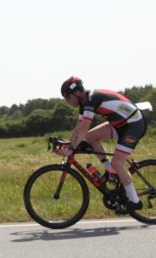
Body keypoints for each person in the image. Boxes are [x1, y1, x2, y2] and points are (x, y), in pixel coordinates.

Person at [59, 76, 145, 212]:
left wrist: (71, 149)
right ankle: (110, 171)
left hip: (133, 124)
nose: (67, 101)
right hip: (120, 124)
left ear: (76, 93)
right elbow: (78, 128)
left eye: (67, 98)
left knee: (119, 163)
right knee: (90, 138)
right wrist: (68, 143)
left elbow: (84, 127)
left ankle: (135, 201)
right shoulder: (85, 102)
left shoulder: (91, 100)